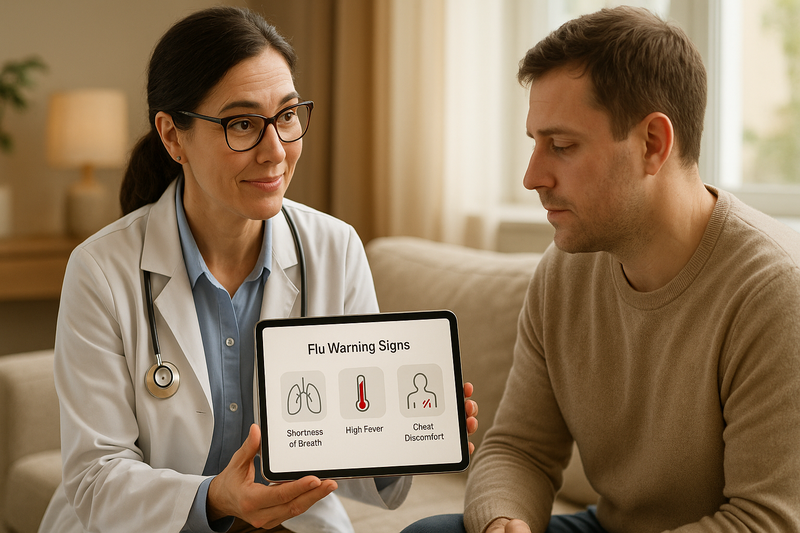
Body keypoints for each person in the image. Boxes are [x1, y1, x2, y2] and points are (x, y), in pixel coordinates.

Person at [37, 7, 477, 533]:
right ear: (173, 136)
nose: (275, 152)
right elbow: (95, 478)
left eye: (287, 116)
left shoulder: (334, 248)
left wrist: (405, 438)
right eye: (242, 124)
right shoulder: (100, 269)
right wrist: (214, 498)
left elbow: (341, 441)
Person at [403, 6, 800, 533]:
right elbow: (519, 447)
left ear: (652, 144)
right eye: (535, 144)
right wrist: (505, 521)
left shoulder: (774, 290)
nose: (531, 176)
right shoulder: (565, 271)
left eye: (562, 146)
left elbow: (765, 520)